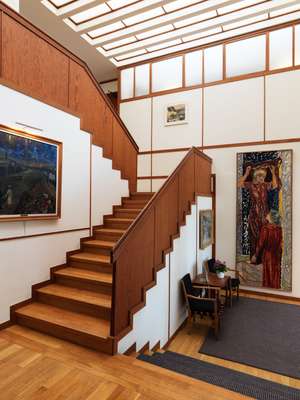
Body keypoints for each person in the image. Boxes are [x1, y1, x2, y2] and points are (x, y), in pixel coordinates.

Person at [238, 164, 280, 261]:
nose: (262, 178)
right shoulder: (251, 185)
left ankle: (262, 258)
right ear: (255, 176)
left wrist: (273, 173)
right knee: (254, 236)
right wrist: (247, 173)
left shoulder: (266, 185)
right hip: (253, 215)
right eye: (260, 176)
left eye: (263, 176)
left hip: (264, 214)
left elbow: (275, 186)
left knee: (263, 235)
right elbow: (239, 184)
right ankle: (254, 258)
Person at [251, 210, 282, 289]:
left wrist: (256, 255)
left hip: (268, 255)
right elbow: (280, 244)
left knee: (268, 273)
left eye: (268, 213)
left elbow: (260, 244)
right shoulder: (279, 229)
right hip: (277, 254)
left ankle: (267, 289)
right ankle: (275, 289)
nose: (267, 214)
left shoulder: (265, 228)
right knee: (275, 273)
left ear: (271, 217)